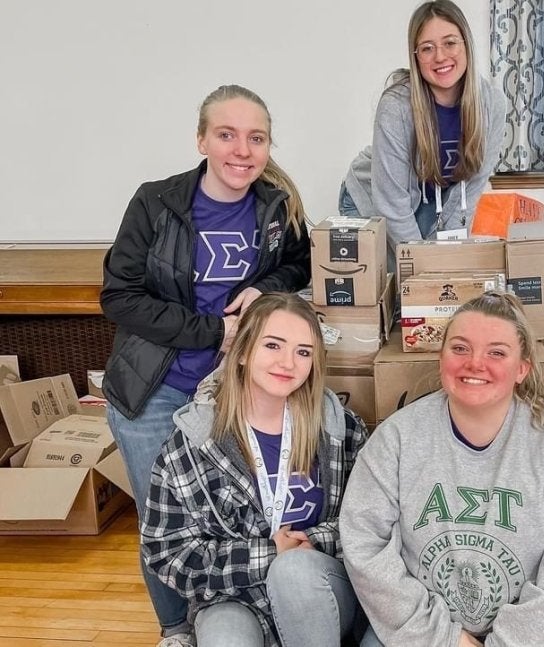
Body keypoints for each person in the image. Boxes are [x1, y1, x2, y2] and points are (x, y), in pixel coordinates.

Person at [100, 84, 311, 646]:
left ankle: (233, 621)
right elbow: (119, 296)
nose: (242, 150)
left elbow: (298, 265)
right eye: (227, 135)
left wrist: (264, 286)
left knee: (228, 519)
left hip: (233, 393)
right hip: (155, 391)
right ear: (201, 140)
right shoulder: (156, 202)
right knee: (164, 526)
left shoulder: (277, 203)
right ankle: (177, 631)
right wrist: (213, 329)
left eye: (256, 138)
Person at [341, 291, 544, 647]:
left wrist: (512, 639)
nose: (475, 363)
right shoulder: (397, 438)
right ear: (441, 357)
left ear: (522, 368)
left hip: (542, 625)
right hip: (427, 626)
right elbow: (365, 542)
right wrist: (444, 638)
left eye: (496, 352)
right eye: (460, 348)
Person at [140, 292, 366, 647]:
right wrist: (268, 552)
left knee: (293, 572)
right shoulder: (193, 442)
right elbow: (167, 551)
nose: (288, 363)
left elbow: (371, 522)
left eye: (303, 352)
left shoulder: (340, 430)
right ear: (242, 351)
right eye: (273, 346)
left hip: (317, 587)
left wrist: (310, 543)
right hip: (233, 597)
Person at [339, 0, 505, 266]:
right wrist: (425, 266)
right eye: (427, 48)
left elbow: (473, 185)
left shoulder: (492, 103)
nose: (440, 56)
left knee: (440, 285)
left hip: (435, 204)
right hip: (373, 203)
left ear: (466, 44)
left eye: (450, 43)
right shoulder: (396, 105)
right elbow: (391, 203)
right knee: (402, 293)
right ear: (416, 56)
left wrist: (447, 255)